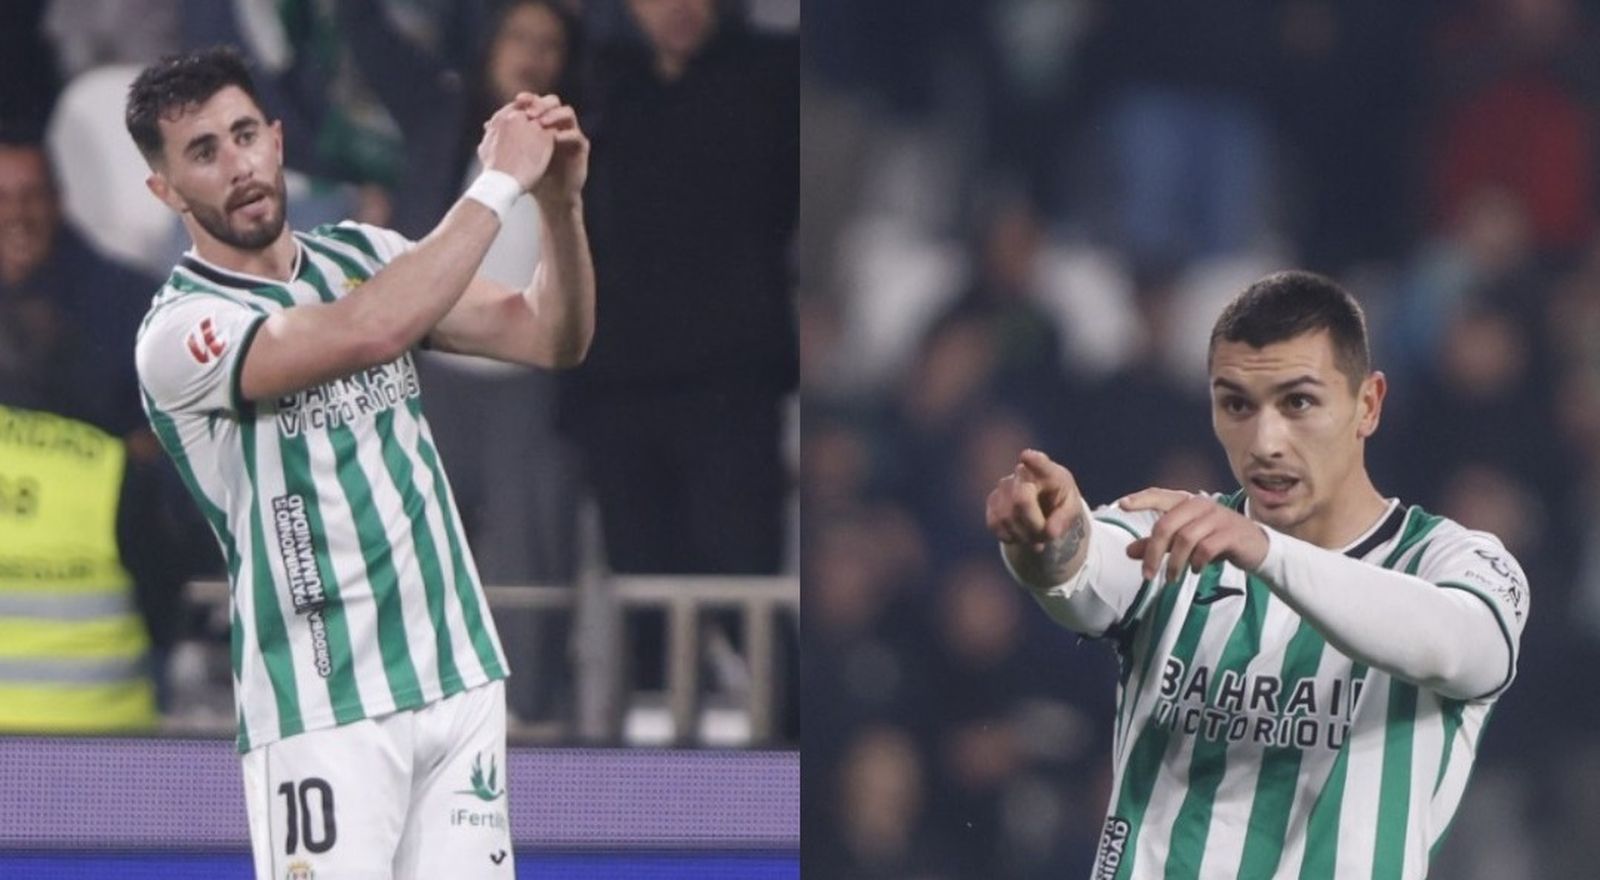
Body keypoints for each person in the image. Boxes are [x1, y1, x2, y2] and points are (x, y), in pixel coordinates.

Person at [125, 46, 593, 878]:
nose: (236, 166)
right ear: (164, 189)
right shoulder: (179, 333)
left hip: (456, 678)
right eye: (202, 152)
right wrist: (496, 184)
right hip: (322, 705)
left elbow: (549, 335)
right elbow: (364, 332)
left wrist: (558, 204)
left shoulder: (364, 256)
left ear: (276, 138)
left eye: (243, 135)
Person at [985, 271, 1528, 878]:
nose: (1265, 442)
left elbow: (1454, 646)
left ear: (1367, 405)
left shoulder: (1457, 563)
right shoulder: (1175, 531)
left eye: (1298, 402)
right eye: (1236, 404)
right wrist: (1044, 540)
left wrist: (1267, 550)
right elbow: (1085, 573)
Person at [0, 132, 191, 731]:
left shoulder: (127, 298)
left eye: (31, 195)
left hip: (108, 702)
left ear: (60, 200)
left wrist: (141, 455)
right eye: (2, 197)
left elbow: (180, 423)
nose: (18, 214)